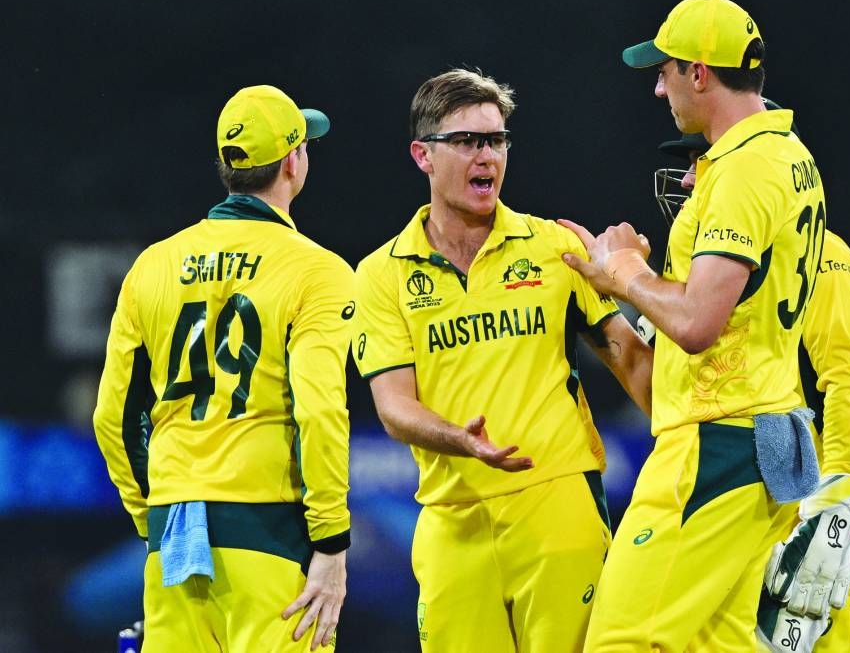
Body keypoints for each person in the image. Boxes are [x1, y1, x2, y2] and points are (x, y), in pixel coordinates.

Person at [559, 0, 850, 650]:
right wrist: (623, 288)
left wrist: (626, 272)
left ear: (699, 73)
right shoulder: (788, 153)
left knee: (620, 641)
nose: (658, 87)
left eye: (665, 70)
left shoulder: (741, 169)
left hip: (714, 448)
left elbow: (698, 323)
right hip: (764, 439)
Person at [352, 68, 653, 652]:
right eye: (466, 141)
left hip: (557, 502)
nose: (486, 155)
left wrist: (693, 441)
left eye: (496, 140)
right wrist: (460, 441)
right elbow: (393, 407)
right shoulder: (381, 274)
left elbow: (631, 360)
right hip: (451, 517)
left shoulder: (555, 247)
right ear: (423, 155)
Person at [93, 85, 353, 652]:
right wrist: (331, 541)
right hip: (271, 538)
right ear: (293, 161)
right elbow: (319, 409)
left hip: (173, 541)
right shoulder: (318, 270)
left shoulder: (152, 265)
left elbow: (113, 416)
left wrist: (153, 520)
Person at [653, 108, 850, 652]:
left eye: (704, 161)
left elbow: (847, 377)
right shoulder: (711, 273)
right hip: (750, 505)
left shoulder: (822, 254)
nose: (689, 179)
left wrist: (840, 495)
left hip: (810, 522)